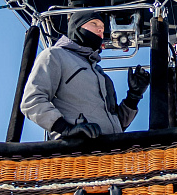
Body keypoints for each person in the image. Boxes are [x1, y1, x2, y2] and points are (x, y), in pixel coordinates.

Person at [21, 11, 152, 140]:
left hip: (113, 152)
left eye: (102, 26)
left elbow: (117, 124)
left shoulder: (101, 75)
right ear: (77, 27)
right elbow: (32, 100)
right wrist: (66, 129)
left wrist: (134, 96)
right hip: (77, 152)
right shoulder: (55, 55)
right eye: (94, 23)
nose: (100, 28)